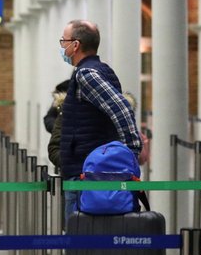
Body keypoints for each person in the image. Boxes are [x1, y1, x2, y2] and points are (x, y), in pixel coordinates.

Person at [55, 19, 143, 214]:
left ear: (75, 45)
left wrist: (132, 152)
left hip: (87, 173)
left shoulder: (87, 74)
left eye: (63, 41)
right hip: (93, 168)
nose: (61, 46)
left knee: (80, 236)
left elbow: (121, 109)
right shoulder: (101, 70)